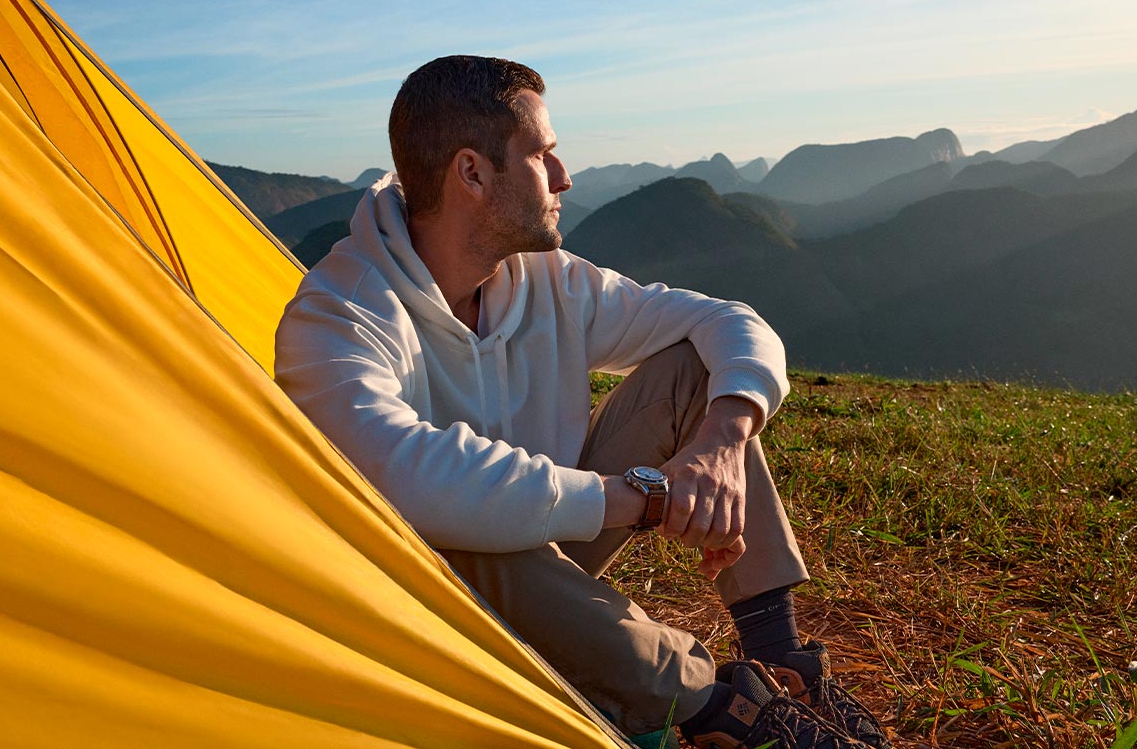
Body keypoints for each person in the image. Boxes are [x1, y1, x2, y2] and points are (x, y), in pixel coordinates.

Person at [274, 56, 888, 748]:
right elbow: (398, 473)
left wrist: (721, 439)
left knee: (692, 373)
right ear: (472, 173)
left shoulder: (547, 282)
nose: (566, 177)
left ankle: (780, 662)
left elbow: (731, 322)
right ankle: (718, 707)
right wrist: (641, 498)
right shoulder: (338, 314)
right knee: (455, 530)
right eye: (543, 155)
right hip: (426, 595)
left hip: (553, 546)